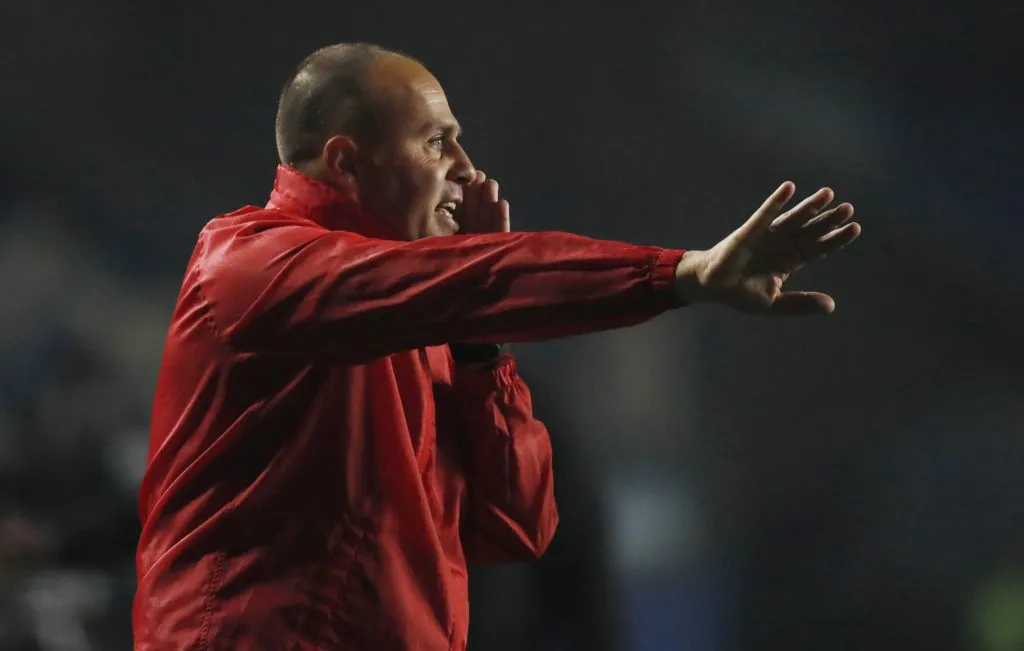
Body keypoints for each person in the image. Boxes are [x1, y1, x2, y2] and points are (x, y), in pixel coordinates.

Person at [133, 42, 861, 651]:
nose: (467, 165)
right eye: (434, 140)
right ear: (346, 163)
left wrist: (480, 349)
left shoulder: (425, 316)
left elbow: (514, 525)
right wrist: (684, 273)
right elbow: (476, 279)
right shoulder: (245, 264)